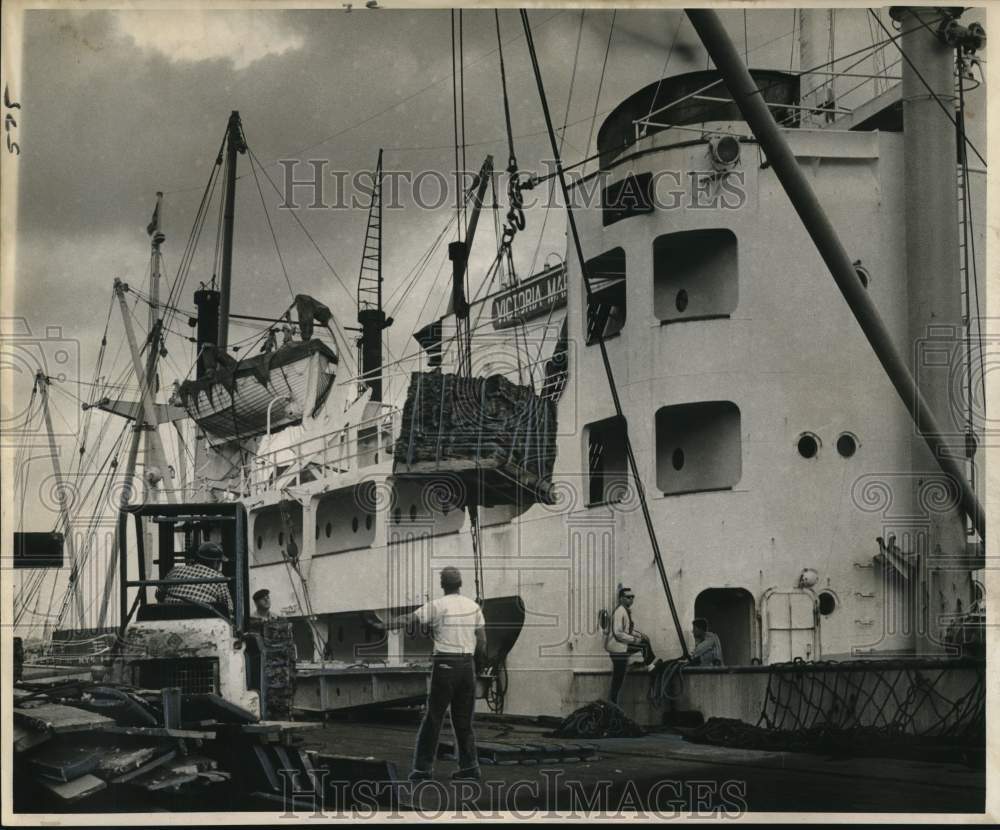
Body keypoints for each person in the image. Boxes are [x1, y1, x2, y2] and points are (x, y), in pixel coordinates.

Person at [377, 566, 486, 782]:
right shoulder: (473, 607)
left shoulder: (437, 605)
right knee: (463, 721)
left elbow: (409, 620)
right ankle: (470, 767)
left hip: (446, 664)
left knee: (434, 718)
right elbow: (482, 641)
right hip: (467, 667)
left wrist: (383, 625)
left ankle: (422, 770)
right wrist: (478, 667)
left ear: (442, 584)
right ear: (460, 584)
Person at [605, 587, 656, 707]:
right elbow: (618, 633)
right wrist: (635, 640)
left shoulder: (625, 611)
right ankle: (612, 703)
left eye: (633, 597)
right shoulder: (619, 612)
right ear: (621, 598)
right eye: (628, 597)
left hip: (621, 647)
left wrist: (641, 636)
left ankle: (651, 666)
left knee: (644, 644)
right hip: (618, 649)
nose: (631, 599)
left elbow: (628, 630)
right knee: (618, 678)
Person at [156, 540, 233, 616]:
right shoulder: (218, 578)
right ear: (215, 562)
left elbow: (159, 594)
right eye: (220, 562)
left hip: (169, 616)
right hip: (201, 620)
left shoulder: (175, 570)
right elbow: (228, 608)